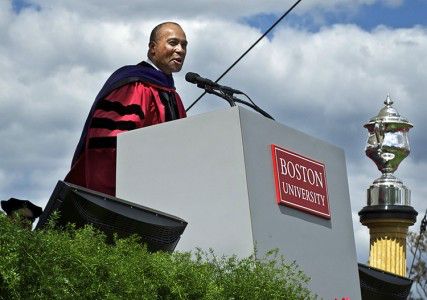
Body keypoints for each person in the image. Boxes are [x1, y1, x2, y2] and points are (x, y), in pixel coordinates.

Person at [64, 22, 188, 196]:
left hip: (164, 189)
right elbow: (108, 145)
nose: (180, 50)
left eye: (184, 45)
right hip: (129, 193)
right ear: (153, 48)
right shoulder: (134, 85)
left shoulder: (173, 95)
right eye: (173, 43)